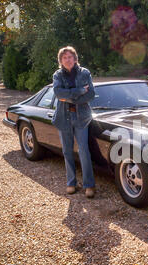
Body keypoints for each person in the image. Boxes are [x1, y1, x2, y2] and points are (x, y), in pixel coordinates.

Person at [51, 46, 96, 198]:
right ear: (61, 61)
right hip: (64, 117)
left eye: (70, 57)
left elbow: (90, 94)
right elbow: (58, 93)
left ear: (75, 58)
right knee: (67, 151)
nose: (67, 60)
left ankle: (89, 185)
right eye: (64, 58)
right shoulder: (57, 75)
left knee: (84, 150)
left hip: (82, 117)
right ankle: (71, 182)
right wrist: (79, 91)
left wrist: (68, 96)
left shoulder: (85, 73)